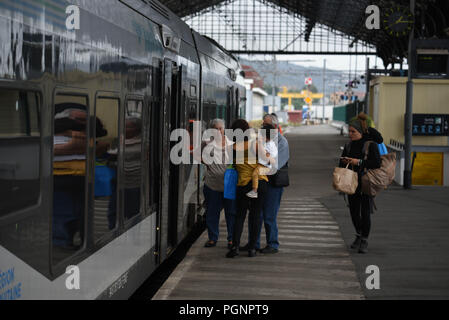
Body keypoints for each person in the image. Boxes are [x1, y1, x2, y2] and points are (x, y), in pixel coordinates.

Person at [339, 114, 382, 254]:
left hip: (365, 182)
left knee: (364, 212)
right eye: (349, 131)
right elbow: (341, 163)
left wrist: (359, 162)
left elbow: (376, 163)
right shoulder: (348, 145)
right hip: (351, 182)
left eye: (353, 131)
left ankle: (364, 239)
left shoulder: (370, 145)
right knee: (353, 212)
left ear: (361, 132)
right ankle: (358, 234)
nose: (350, 134)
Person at [226, 119, 269, 258]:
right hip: (259, 183)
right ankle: (252, 249)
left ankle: (235, 246)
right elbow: (266, 161)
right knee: (255, 215)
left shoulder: (232, 148)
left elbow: (231, 164)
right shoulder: (255, 144)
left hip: (242, 184)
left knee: (239, 216)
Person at [253, 114, 290, 254]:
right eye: (263, 125)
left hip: (273, 184)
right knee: (257, 214)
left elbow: (275, 166)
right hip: (262, 181)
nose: (263, 127)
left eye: (266, 125)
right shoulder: (262, 140)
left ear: (274, 127)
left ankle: (273, 244)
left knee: (269, 215)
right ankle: (254, 243)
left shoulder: (282, 143)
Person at [196, 119, 236, 249]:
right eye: (216, 128)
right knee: (212, 213)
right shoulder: (206, 144)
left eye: (221, 128)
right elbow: (196, 155)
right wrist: (206, 163)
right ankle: (213, 238)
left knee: (231, 213)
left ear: (224, 129)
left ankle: (231, 239)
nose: (219, 131)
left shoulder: (231, 144)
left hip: (229, 186)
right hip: (212, 185)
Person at [246, 123, 278, 199]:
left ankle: (254, 191)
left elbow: (269, 157)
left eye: (261, 135)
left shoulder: (270, 145)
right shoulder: (267, 143)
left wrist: (261, 146)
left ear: (265, 137)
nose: (259, 136)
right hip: (264, 166)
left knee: (255, 173)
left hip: (267, 167)